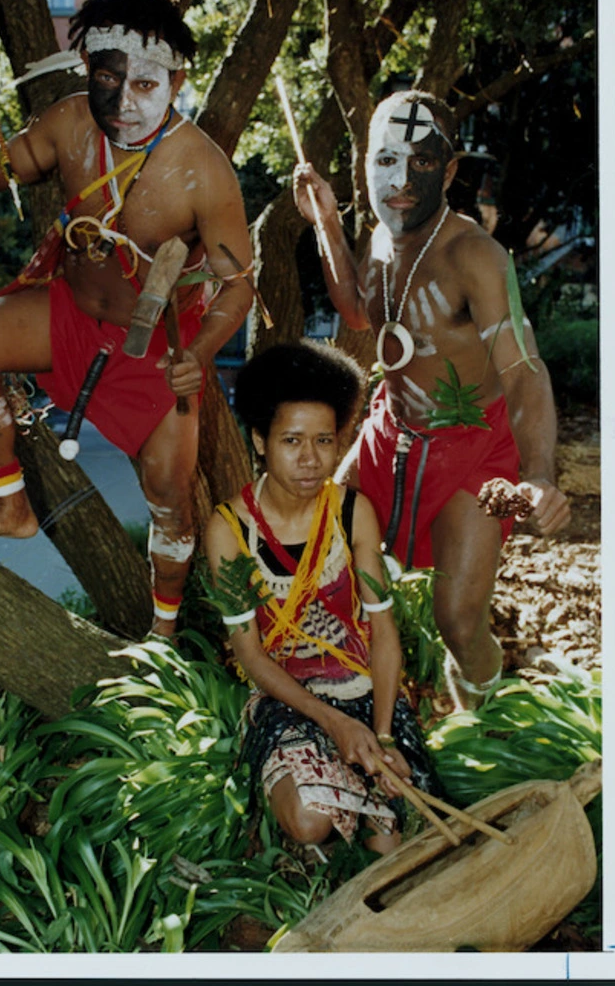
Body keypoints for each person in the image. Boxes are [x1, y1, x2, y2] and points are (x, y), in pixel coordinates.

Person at [0, 0, 254, 636]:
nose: (124, 102)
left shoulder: (204, 169)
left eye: (145, 85)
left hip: (159, 348)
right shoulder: (71, 122)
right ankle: (11, 505)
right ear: (89, 70)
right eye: (109, 80)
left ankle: (163, 632)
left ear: (177, 79)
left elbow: (239, 284)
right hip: (71, 316)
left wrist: (196, 354)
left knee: (171, 503)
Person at [293, 90, 570, 708]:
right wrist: (328, 224)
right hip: (390, 436)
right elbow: (356, 311)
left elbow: (524, 371)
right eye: (386, 159)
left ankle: (485, 713)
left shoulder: (475, 256)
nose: (400, 179)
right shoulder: (382, 240)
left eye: (422, 163)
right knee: (321, 548)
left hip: (473, 451)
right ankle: (354, 699)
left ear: (448, 171)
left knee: (459, 621)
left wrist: (542, 474)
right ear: (366, 160)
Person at [205, 341, 411, 853]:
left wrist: (381, 735)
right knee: (309, 819)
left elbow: (382, 630)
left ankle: (363, 793)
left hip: (361, 688)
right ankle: (315, 791)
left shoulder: (351, 513)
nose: (310, 459)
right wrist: (335, 724)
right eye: (291, 440)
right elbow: (249, 653)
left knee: (387, 840)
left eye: (324, 440)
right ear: (259, 441)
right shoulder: (229, 529)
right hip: (285, 694)